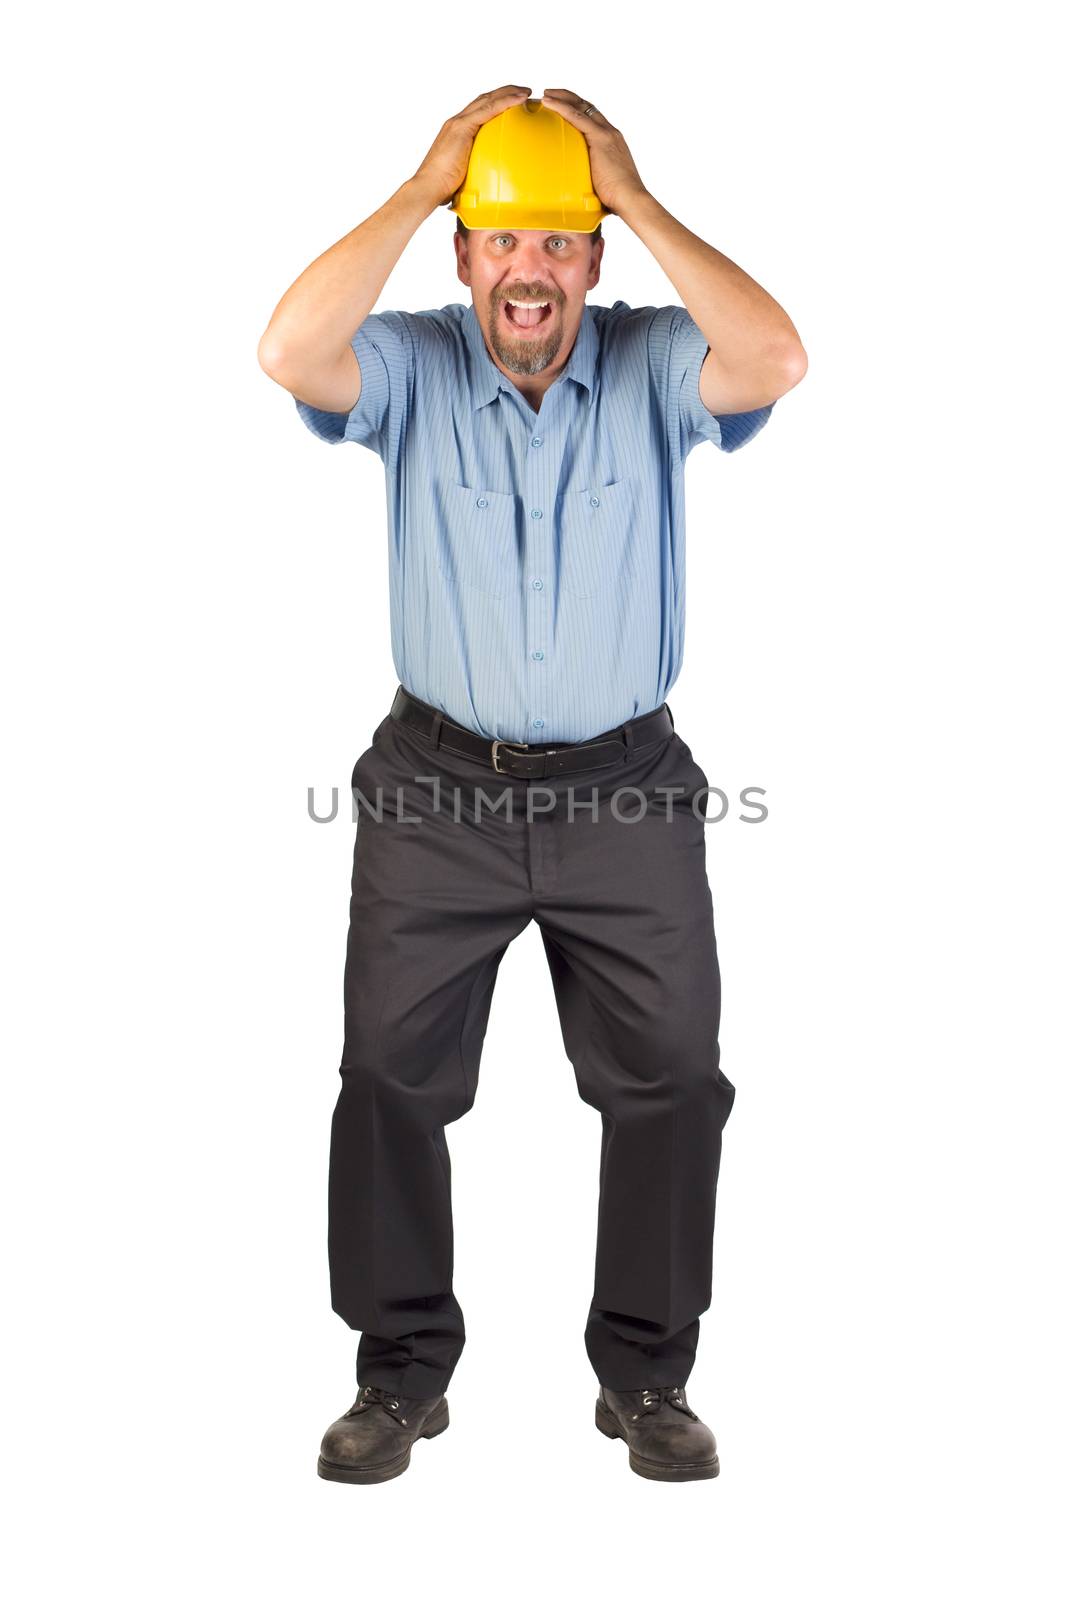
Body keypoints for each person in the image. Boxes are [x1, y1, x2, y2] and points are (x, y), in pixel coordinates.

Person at [258, 84, 807, 1485]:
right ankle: (399, 1378)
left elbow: (779, 356)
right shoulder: (415, 365)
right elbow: (289, 347)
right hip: (434, 792)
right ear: (463, 257)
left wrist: (633, 192)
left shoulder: (654, 361)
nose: (531, 270)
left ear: (593, 256)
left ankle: (644, 1377)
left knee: (675, 1081)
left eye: (561, 242)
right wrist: (424, 180)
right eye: (504, 241)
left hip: (627, 791)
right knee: (387, 1077)